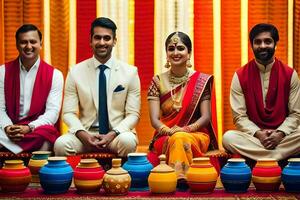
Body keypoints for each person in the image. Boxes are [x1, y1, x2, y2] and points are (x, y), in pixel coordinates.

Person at [54, 17, 141, 157]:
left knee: (128, 141)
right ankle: (78, 178)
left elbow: (133, 115)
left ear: (114, 41)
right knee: (61, 145)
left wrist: (113, 134)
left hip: (117, 134)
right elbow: (68, 113)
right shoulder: (75, 72)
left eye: (107, 38)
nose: (102, 42)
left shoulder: (130, 72)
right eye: (97, 38)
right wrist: (82, 134)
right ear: (91, 40)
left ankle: (120, 177)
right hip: (85, 134)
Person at [147, 32, 218, 184]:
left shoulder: (201, 80)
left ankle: (177, 178)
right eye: (171, 49)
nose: (176, 53)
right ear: (166, 53)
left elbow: (206, 117)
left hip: (196, 134)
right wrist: (170, 131)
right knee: (177, 138)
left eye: (180, 48)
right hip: (165, 135)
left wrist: (185, 130)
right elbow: (154, 120)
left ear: (189, 53)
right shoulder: (157, 81)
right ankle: (182, 179)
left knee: (180, 138)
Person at [223, 23, 300, 162]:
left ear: (275, 44)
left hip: (284, 137)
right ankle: (277, 156)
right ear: (251, 45)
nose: (263, 46)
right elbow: (239, 117)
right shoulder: (240, 75)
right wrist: (259, 134)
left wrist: (280, 133)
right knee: (228, 137)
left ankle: (267, 157)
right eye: (258, 42)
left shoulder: (290, 74)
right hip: (255, 138)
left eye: (268, 41)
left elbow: (296, 114)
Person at [0, 24, 64, 154]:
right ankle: (23, 149)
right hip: (9, 128)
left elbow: (52, 113)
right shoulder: (2, 72)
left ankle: (11, 148)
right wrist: (7, 127)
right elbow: (0, 108)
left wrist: (29, 128)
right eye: (23, 42)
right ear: (17, 44)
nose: (28, 46)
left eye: (33, 42)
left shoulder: (55, 75)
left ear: (41, 44)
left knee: (48, 132)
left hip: (35, 129)